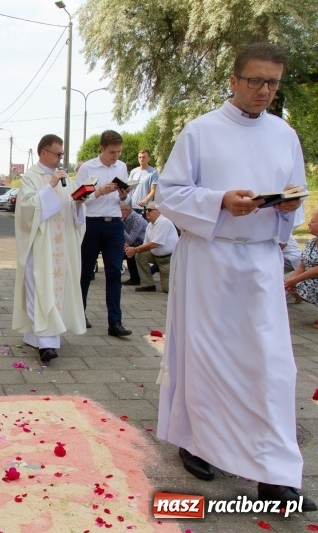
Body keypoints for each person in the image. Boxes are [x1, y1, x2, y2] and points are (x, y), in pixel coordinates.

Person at [156, 42, 315, 510]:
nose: (264, 91)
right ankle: (198, 443)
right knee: (207, 361)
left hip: (263, 261)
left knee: (272, 368)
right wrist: (220, 200)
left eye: (273, 82)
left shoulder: (284, 134)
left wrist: (289, 204)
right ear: (233, 80)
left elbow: (298, 195)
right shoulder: (201, 131)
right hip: (210, 258)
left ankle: (276, 475)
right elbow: (169, 194)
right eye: (255, 81)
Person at [12, 134, 86, 362]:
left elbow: (71, 211)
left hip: (60, 247)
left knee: (55, 292)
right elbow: (27, 209)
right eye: (57, 154)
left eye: (62, 154)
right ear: (43, 153)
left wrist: (79, 204)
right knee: (39, 289)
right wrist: (50, 186)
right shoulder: (31, 178)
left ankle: (39, 336)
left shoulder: (66, 178)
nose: (60, 158)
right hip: (40, 245)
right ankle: (47, 343)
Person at [75, 130, 132, 336]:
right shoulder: (88, 168)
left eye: (118, 152)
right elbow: (78, 198)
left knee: (114, 272)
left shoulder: (122, 167)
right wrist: (99, 192)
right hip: (92, 223)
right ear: (101, 148)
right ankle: (79, 313)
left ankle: (115, 322)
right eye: (111, 152)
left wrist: (124, 196)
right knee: (85, 272)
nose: (115, 156)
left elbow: (124, 202)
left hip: (115, 223)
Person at [126, 202, 178, 293]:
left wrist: (135, 249)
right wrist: (132, 250)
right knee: (140, 254)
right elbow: (146, 243)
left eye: (150, 210)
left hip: (168, 259)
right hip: (156, 255)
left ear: (159, 212)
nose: (147, 212)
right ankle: (148, 284)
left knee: (167, 289)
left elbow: (155, 244)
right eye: (146, 209)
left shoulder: (163, 222)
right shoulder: (150, 225)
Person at [286, 212, 318, 326]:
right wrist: (291, 281)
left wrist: (295, 280)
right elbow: (302, 265)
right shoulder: (311, 242)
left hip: (314, 277)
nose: (309, 224)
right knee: (291, 285)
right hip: (310, 278)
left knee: (304, 284)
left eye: (313, 222)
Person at [120, 203, 148, 286]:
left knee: (129, 251)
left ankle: (135, 278)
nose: (119, 212)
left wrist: (120, 225)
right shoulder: (125, 218)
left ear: (128, 210)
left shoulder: (137, 219)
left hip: (144, 243)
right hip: (133, 243)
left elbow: (131, 239)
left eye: (121, 210)